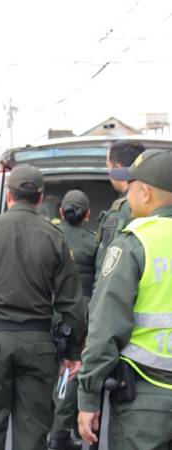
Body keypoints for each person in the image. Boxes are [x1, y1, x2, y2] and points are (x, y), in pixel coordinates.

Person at [0, 164, 85, 450]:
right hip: (39, 345)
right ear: (40, 198)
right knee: (34, 431)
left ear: (8, 195)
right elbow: (72, 302)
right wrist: (73, 352)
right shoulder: (54, 237)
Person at [77, 149, 172, 449]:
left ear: (145, 193)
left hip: (146, 400)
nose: (126, 197)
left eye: (130, 188)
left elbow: (105, 327)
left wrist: (88, 396)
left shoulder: (135, 243)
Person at [48, 190, 97, 450]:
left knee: (48, 368)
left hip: (48, 310)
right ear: (87, 214)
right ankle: (59, 432)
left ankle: (48, 427)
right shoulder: (93, 242)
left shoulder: (49, 236)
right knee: (71, 370)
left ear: (61, 212)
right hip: (81, 312)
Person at [94, 140, 145, 276]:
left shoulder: (121, 211)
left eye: (108, 167)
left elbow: (107, 268)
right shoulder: (152, 202)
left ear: (117, 168)